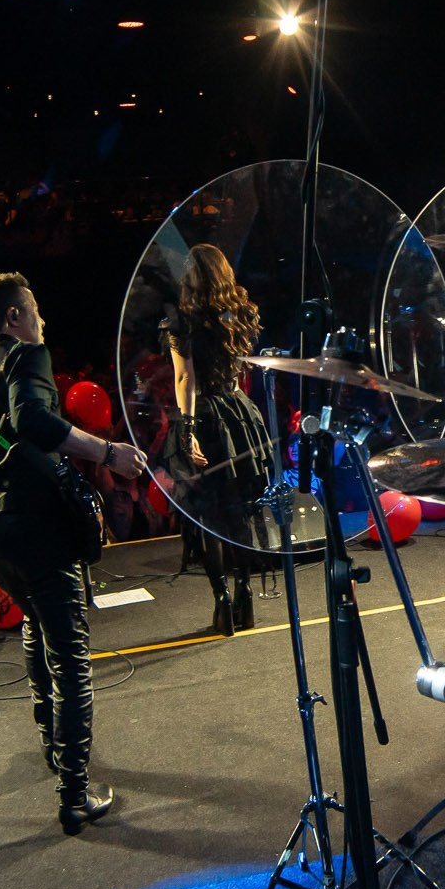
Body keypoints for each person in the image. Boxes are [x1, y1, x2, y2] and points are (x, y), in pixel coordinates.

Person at [0, 271, 146, 834]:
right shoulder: (24, 354)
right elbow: (31, 422)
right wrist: (107, 452)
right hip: (30, 522)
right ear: (13, 317)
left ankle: (52, 748)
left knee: (36, 623)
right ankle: (74, 796)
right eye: (34, 308)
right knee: (72, 659)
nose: (43, 320)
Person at [163, 244, 276, 636]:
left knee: (209, 517)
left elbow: (185, 380)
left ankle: (223, 601)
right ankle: (244, 592)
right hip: (240, 412)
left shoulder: (184, 319)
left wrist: (187, 428)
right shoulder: (239, 311)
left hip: (208, 414)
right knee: (240, 512)